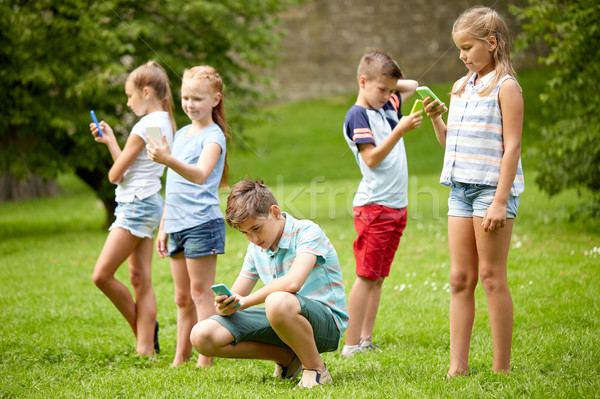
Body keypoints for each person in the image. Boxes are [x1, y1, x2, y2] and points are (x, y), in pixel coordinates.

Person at [424, 7, 524, 377]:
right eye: (459, 49)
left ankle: (502, 369)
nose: (463, 55)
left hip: (491, 192)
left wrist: (500, 201)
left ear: (492, 43)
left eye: (468, 47)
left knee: (492, 277)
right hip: (459, 189)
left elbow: (512, 148)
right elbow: (451, 144)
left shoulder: (506, 87)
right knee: (459, 278)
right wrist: (437, 118)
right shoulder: (460, 87)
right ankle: (457, 368)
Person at [188, 180, 349, 388]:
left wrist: (244, 302)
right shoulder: (256, 249)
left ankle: (316, 370)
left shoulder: (307, 231)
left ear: (274, 212)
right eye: (245, 233)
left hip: (326, 325)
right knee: (202, 336)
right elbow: (238, 293)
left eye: (256, 228)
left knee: (277, 300)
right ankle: (287, 359)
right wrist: (226, 305)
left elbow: (293, 282)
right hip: (281, 318)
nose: (253, 238)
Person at [340, 48, 424, 357]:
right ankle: (350, 344)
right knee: (365, 276)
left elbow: (411, 84)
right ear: (362, 82)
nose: (387, 95)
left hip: (396, 207)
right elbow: (372, 159)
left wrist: (387, 84)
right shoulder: (358, 115)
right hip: (374, 207)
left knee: (378, 277)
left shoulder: (386, 104)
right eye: (381, 89)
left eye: (390, 90)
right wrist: (400, 130)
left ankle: (366, 339)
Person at [89, 61, 176, 356]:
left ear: (146, 91)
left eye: (130, 95)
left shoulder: (144, 125)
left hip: (136, 206)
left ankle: (145, 334)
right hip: (148, 202)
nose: (128, 102)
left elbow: (115, 175)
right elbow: (129, 170)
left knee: (101, 275)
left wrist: (115, 156)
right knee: (140, 278)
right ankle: (146, 347)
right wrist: (112, 141)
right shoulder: (165, 121)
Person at [147, 65, 229, 368]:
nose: (190, 104)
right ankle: (180, 358)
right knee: (182, 298)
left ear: (215, 99)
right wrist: (164, 227)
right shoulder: (180, 134)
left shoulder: (214, 136)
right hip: (177, 223)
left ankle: (206, 358)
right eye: (185, 97)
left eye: (197, 98)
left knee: (200, 293)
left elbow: (199, 175)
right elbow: (175, 185)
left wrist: (168, 159)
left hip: (202, 224)